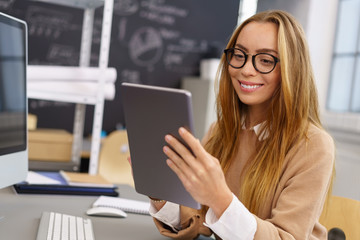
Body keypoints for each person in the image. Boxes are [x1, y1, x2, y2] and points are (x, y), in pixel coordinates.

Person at [149, 10, 335, 239]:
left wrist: (220, 198)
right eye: (239, 55)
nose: (246, 70)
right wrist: (158, 190)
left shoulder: (313, 145)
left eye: (266, 60)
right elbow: (200, 223)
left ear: (292, 70)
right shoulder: (220, 131)